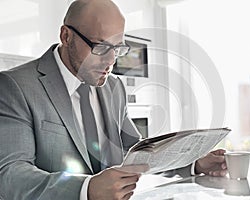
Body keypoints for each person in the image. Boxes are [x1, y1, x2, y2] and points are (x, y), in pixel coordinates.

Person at [0, 0, 227, 199]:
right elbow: (9, 174)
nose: (110, 62)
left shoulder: (114, 87)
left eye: (117, 49)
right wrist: (86, 189)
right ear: (66, 36)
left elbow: (134, 151)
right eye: (100, 47)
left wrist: (193, 162)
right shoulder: (14, 86)